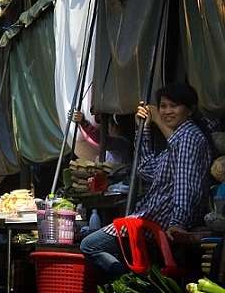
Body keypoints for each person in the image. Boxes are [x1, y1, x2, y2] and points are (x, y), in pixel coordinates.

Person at [80, 82, 213, 281]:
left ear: (190, 110)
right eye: (163, 106)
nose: (167, 111)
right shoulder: (177, 140)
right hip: (152, 218)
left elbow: (186, 186)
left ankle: (134, 287)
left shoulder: (188, 137)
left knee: (91, 245)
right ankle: (135, 284)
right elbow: (147, 169)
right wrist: (144, 129)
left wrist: (178, 222)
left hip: (159, 219)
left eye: (173, 106)